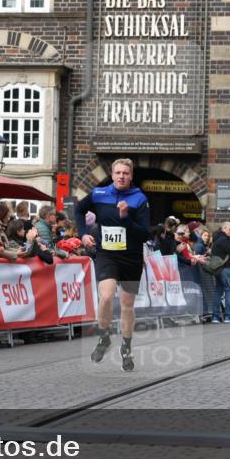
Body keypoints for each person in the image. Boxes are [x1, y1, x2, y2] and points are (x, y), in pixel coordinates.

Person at [76, 158, 151, 371]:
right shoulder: (99, 194)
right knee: (106, 295)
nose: (121, 176)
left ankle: (126, 348)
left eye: (125, 173)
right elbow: (79, 211)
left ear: (131, 176)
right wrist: (82, 234)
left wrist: (126, 217)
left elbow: (145, 233)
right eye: (118, 172)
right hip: (107, 254)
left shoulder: (139, 198)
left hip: (131, 257)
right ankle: (104, 337)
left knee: (127, 305)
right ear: (112, 173)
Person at [210, 222, 230, 324]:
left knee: (218, 291)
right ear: (223, 229)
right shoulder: (224, 240)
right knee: (229, 291)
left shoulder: (216, 240)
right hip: (226, 268)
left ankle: (215, 317)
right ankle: (228, 316)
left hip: (217, 268)